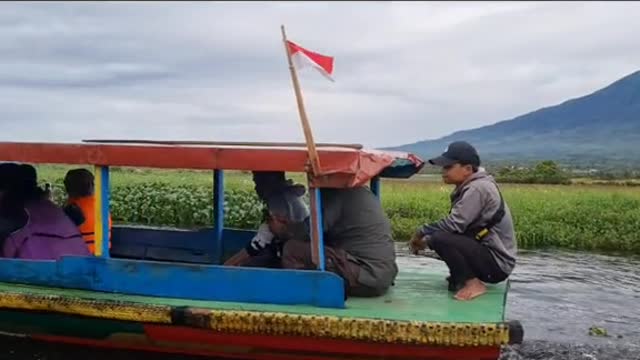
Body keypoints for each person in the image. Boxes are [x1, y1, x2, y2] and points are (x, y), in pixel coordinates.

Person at [409, 141, 517, 301]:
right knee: (436, 238)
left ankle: (473, 283)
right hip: (489, 256)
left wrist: (420, 233)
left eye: (448, 167)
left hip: (497, 265)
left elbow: (454, 224)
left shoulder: (477, 188)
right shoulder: (475, 185)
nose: (443, 171)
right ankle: (460, 276)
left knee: (439, 237)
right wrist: (427, 240)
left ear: (467, 169)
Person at [272, 186, 399, 298]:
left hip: (368, 276)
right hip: (383, 275)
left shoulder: (336, 194)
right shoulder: (360, 190)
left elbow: (311, 231)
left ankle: (296, 296)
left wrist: (284, 228)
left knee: (291, 248)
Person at [0, 163, 90, 260]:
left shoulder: (15, 220)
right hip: (81, 270)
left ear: (4, 192)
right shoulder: (53, 210)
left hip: (39, 272)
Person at [224, 171, 307, 268]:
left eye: (257, 183)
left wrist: (225, 267)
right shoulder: (289, 195)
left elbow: (257, 245)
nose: (256, 188)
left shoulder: (277, 200)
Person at [63, 168, 112, 255]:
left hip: (80, 258)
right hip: (103, 256)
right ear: (91, 185)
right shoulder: (101, 205)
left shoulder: (72, 210)